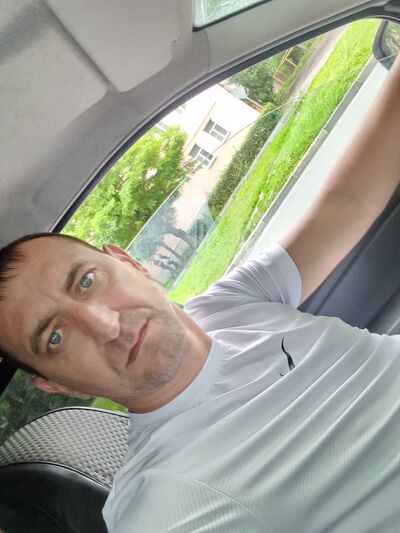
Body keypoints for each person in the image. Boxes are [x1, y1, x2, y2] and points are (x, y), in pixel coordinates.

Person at [1, 54, 400, 532]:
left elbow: (347, 202)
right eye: (56, 338)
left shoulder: (231, 303)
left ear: (127, 261)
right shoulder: (161, 508)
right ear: (58, 384)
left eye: (86, 281)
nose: (106, 325)